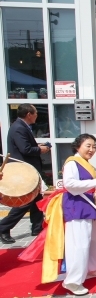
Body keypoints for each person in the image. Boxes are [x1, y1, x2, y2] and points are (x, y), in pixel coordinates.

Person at [24, 134, 96, 295]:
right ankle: (72, 281)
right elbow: (70, 185)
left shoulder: (83, 162)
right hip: (76, 206)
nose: (92, 150)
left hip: (85, 205)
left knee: (91, 240)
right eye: (88, 146)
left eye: (94, 146)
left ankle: (89, 269)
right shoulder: (72, 163)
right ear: (78, 146)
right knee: (79, 244)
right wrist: (95, 182)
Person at [0, 104, 47, 244]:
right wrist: (40, 150)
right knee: (25, 201)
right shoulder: (19, 128)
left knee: (37, 198)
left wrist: (38, 147)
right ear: (29, 114)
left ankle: (37, 227)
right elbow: (25, 149)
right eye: (36, 113)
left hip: (29, 169)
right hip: (23, 171)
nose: (37, 115)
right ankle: (3, 227)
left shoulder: (22, 126)